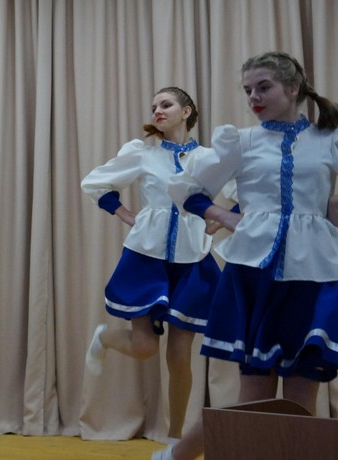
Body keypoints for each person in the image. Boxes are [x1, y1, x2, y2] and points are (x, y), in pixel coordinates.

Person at [160, 51, 338, 460]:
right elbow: (188, 190)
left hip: (315, 272)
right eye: (248, 90)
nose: (254, 97)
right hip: (253, 272)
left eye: (263, 87)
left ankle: (179, 455)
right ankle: (178, 455)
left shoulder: (331, 138)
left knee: (301, 395)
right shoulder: (241, 141)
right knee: (254, 396)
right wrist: (225, 217)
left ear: (293, 88)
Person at [81, 87, 221, 444]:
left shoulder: (208, 158)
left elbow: (243, 189)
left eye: (166, 104)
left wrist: (220, 219)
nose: (157, 110)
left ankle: (174, 439)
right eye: (154, 106)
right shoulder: (141, 153)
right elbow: (95, 182)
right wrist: (126, 214)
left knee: (180, 356)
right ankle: (105, 338)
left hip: (192, 258)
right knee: (145, 348)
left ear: (186, 111)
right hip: (146, 257)